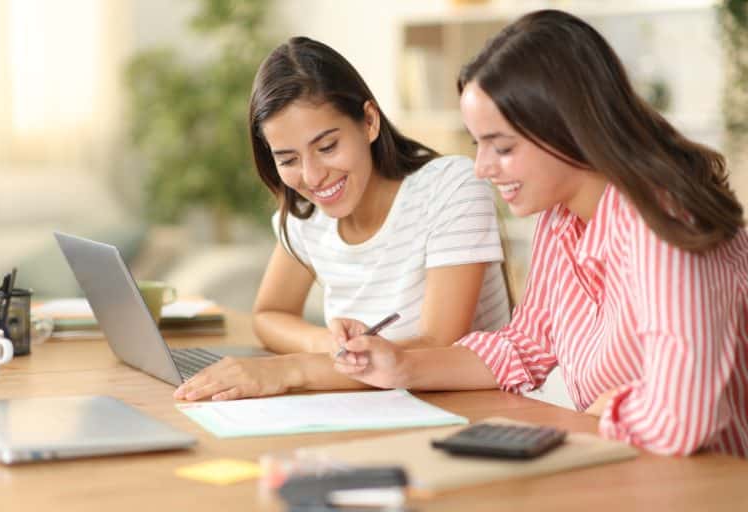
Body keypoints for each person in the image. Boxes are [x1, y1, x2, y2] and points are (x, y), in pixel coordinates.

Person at [333, 10, 748, 458]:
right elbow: (525, 345)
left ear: (568, 127)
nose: (483, 168)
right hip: (638, 472)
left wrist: (609, 410)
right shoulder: (560, 219)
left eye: (503, 147)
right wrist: (401, 365)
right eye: (479, 145)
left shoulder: (660, 222)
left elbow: (680, 423)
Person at [173, 37, 511, 402]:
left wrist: (292, 369)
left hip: (465, 412)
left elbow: (437, 347)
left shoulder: (451, 186)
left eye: (327, 147)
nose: (313, 176)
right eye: (288, 160)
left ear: (368, 121)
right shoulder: (307, 215)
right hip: (369, 407)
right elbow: (269, 314)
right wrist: (328, 343)